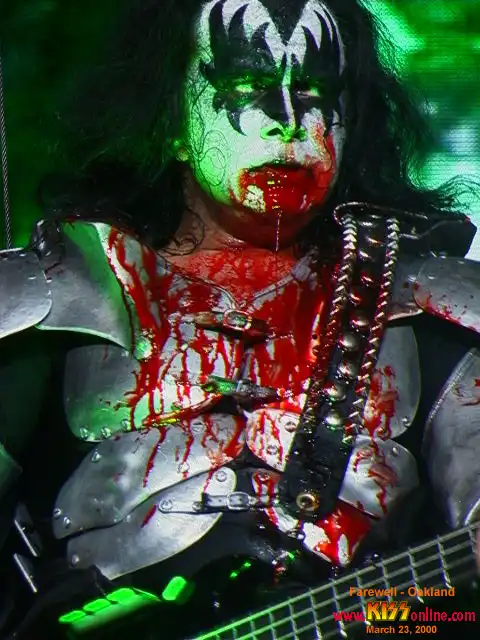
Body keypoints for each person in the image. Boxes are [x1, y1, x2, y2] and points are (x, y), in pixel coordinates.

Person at [0, 0, 479, 638]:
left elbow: (462, 606)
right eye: (247, 88)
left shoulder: (433, 306)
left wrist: (408, 621)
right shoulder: (54, 295)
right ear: (169, 117)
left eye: (313, 93)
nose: (288, 123)